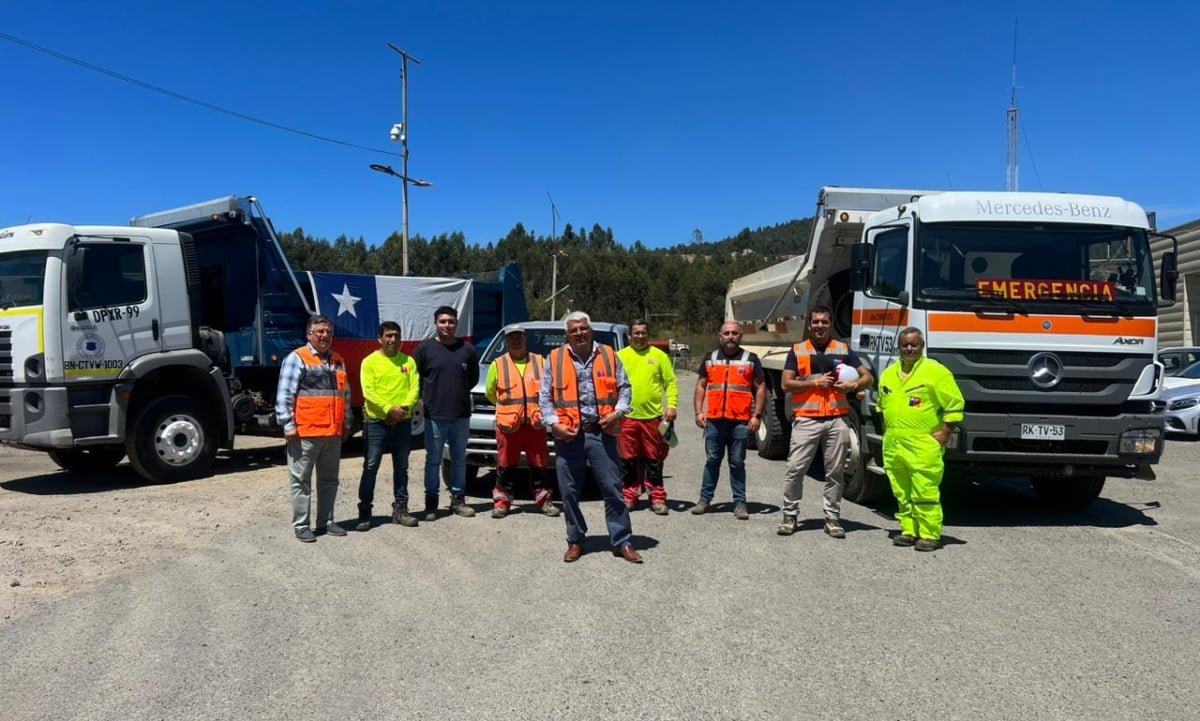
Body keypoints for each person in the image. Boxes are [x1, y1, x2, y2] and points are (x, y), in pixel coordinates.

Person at [538, 311, 641, 563]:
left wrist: (617, 414)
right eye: (574, 330)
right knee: (569, 491)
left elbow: (625, 389)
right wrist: (553, 425)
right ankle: (576, 540)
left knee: (612, 489)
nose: (579, 333)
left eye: (583, 328)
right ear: (567, 335)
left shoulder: (608, 354)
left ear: (590, 330)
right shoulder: (554, 358)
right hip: (569, 436)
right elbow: (545, 398)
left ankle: (621, 541)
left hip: (602, 433)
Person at [777, 306, 874, 538]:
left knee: (835, 472)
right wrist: (814, 383)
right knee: (795, 469)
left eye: (824, 322)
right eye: (816, 322)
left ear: (830, 324)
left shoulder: (843, 349)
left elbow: (868, 377)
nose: (820, 326)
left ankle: (832, 518)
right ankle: (789, 515)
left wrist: (853, 386)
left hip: (836, 419)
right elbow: (785, 384)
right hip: (807, 420)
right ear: (809, 325)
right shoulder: (798, 351)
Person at [877, 327, 965, 552]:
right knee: (901, 491)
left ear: (922, 346)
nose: (909, 349)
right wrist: (886, 432)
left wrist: (945, 432)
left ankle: (929, 534)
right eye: (905, 345)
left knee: (924, 490)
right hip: (894, 444)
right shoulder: (889, 373)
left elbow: (954, 405)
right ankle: (908, 530)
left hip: (923, 444)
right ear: (899, 347)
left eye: (913, 344)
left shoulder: (935, 372)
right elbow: (882, 406)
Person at [275, 314, 353, 543]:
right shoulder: (297, 358)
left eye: (328, 332)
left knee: (329, 480)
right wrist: (288, 425)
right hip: (305, 433)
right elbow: (284, 395)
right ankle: (301, 525)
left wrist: (346, 423)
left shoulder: (338, 360)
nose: (324, 336)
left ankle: (326, 521)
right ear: (309, 334)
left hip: (332, 434)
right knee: (301, 480)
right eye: (319, 331)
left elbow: (344, 395)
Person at [692, 322, 767, 520]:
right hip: (714, 422)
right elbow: (701, 386)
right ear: (720, 336)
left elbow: (760, 388)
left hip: (739, 423)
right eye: (727, 333)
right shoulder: (710, 358)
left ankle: (740, 503)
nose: (731, 336)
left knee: (737, 464)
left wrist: (756, 415)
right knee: (711, 462)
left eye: (734, 333)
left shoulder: (750, 359)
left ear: (741, 336)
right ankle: (704, 500)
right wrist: (699, 412)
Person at [413, 306, 480, 521]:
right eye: (443, 321)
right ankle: (431, 503)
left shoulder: (467, 350)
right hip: (434, 415)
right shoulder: (425, 349)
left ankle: (458, 499)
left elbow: (473, 379)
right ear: (436, 324)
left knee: (459, 459)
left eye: (451, 321)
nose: (447, 325)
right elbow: (416, 377)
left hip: (460, 415)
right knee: (433, 460)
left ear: (456, 323)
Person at [486, 325, 559, 519]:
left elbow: (549, 390)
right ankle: (502, 502)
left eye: (519, 337)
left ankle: (544, 500)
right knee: (506, 464)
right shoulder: (498, 364)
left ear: (525, 339)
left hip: (535, 424)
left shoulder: (540, 361)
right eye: (512, 338)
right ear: (507, 341)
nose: (516, 341)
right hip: (509, 426)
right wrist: (506, 409)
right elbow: (490, 393)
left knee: (539, 464)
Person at [355, 320, 421, 531]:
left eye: (397, 336)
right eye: (389, 336)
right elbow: (368, 392)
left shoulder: (408, 362)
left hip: (402, 422)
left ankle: (400, 510)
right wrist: (388, 410)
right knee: (371, 466)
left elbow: (415, 389)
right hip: (377, 423)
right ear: (380, 339)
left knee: (401, 467)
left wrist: (402, 409)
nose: (393, 340)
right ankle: (365, 512)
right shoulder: (369, 362)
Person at [616, 319, 679, 514]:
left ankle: (657, 497)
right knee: (628, 461)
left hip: (653, 418)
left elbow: (670, 382)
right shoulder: (619, 356)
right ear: (629, 335)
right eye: (636, 333)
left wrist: (672, 405)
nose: (640, 336)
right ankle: (630, 495)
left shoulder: (659, 356)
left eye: (643, 333)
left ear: (648, 335)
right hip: (627, 418)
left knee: (654, 460)